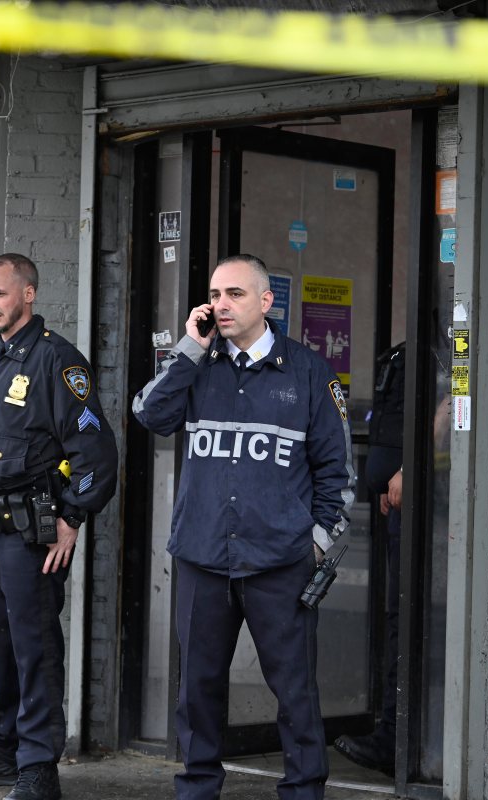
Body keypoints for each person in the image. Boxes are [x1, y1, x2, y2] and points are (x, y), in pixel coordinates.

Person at [132, 254, 355, 800]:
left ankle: (304, 790)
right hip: (203, 556)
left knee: (294, 689)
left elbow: (337, 470)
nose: (220, 304)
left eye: (234, 293)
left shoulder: (307, 371)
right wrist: (188, 348)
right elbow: (147, 414)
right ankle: (198, 788)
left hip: (279, 560)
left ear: (266, 301)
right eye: (214, 294)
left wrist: (318, 544)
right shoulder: (196, 365)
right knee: (198, 689)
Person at [0, 253, 118, 800]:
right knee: (0, 647)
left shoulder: (56, 361)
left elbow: (97, 453)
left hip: (28, 536)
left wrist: (71, 516)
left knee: (34, 648)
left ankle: (38, 767)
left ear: (29, 294)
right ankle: (1, 749)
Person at [334, 341, 405, 777]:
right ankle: (392, 734)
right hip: (396, 506)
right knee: (396, 617)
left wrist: (412, 466)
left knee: (408, 622)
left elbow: (453, 409)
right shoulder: (404, 351)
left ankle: (397, 739)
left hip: (428, 508)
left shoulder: (450, 346)